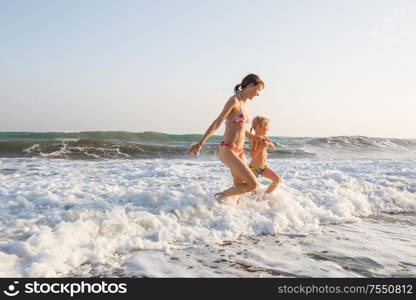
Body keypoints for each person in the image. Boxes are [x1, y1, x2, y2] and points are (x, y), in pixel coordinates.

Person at [188, 74, 265, 201]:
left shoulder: (245, 104)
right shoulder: (234, 101)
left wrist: (255, 138)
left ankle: (224, 210)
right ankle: (217, 198)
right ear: (250, 86)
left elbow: (241, 129)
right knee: (253, 184)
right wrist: (200, 143)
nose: (258, 94)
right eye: (258, 90)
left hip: (239, 152)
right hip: (228, 150)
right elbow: (217, 122)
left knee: (240, 187)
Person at [248, 116, 281, 194]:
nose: (268, 129)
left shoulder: (264, 137)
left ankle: (264, 195)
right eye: (266, 126)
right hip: (254, 169)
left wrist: (267, 143)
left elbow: (273, 146)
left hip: (263, 168)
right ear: (259, 127)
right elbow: (252, 155)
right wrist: (261, 147)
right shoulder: (254, 139)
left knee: (277, 180)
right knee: (253, 191)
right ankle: (249, 204)